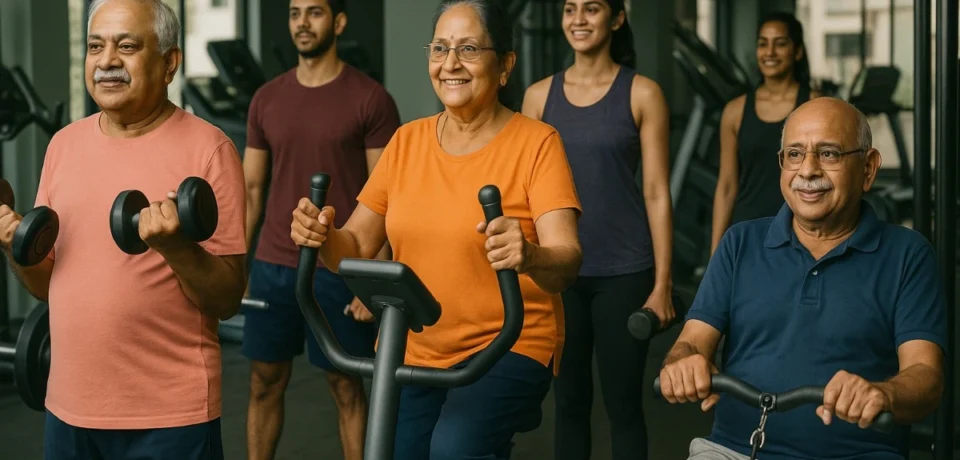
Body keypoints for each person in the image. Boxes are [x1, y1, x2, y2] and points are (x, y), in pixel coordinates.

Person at [290, 1, 583, 458]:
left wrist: (529, 253)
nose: (450, 64)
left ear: (505, 64)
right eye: (440, 48)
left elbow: (566, 260)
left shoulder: (537, 144)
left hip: (509, 342)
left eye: (467, 49)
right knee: (392, 450)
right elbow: (358, 246)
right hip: (416, 348)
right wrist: (322, 235)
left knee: (454, 447)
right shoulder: (407, 141)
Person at [0, 0, 247, 458]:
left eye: (127, 46)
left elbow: (228, 298)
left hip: (170, 416)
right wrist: (15, 247)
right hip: (69, 409)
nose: (107, 60)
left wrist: (176, 248)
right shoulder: (63, 145)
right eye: (96, 46)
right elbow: (48, 286)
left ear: (169, 62)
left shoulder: (211, 150)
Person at [659, 98, 945, 460]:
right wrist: (682, 363)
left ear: (869, 168)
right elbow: (691, 343)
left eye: (829, 154)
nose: (807, 170)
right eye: (794, 154)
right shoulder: (739, 242)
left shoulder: (908, 254)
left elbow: (926, 376)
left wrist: (883, 394)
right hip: (734, 450)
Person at [241, 0, 401, 459]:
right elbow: (252, 188)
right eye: (295, 13)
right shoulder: (267, 98)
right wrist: (239, 262)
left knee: (346, 384)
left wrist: (373, 276)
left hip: (339, 264)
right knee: (263, 382)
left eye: (314, 12)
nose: (302, 23)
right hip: (274, 263)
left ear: (339, 22)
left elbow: (389, 195)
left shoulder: (370, 98)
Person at [520, 1, 672, 459]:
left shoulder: (643, 93)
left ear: (617, 18)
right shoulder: (538, 97)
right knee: (568, 404)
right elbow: (525, 195)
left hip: (625, 273)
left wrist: (663, 285)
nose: (579, 19)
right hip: (558, 274)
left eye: (592, 8)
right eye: (570, 9)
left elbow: (656, 193)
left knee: (624, 407)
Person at [710, 12, 819, 255]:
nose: (769, 52)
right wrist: (716, 252)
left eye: (780, 44)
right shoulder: (735, 111)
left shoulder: (814, 106)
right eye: (763, 44)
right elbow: (727, 185)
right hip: (748, 230)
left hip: (801, 232)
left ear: (798, 51)